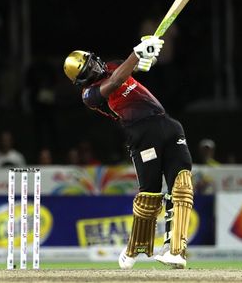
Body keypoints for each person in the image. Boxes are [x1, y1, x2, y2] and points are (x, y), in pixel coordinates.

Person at [63, 36, 193, 269]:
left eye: (92, 62)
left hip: (168, 124)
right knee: (150, 195)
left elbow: (137, 66)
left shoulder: (113, 64)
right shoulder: (89, 94)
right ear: (81, 79)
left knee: (182, 186)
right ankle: (135, 248)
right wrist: (138, 52)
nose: (94, 68)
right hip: (141, 132)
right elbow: (116, 81)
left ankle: (176, 251)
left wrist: (148, 55)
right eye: (87, 70)